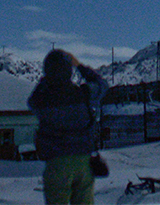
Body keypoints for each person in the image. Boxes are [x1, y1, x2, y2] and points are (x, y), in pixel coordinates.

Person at [27, 49, 109, 205]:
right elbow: (102, 85)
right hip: (84, 161)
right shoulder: (85, 93)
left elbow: (31, 102)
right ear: (69, 71)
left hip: (56, 163)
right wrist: (80, 66)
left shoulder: (42, 100)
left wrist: (47, 79)